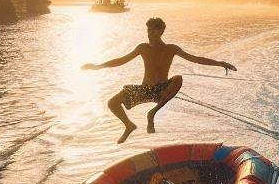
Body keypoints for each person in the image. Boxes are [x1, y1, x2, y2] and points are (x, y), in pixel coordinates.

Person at [82, 16, 237, 142]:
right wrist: (97, 66)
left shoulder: (171, 49)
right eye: (148, 31)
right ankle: (129, 125)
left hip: (161, 89)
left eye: (153, 31)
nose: (149, 34)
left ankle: (152, 114)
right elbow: (121, 60)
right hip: (144, 90)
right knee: (112, 103)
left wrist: (220, 63)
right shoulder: (142, 48)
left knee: (178, 78)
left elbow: (196, 59)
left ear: (161, 31)